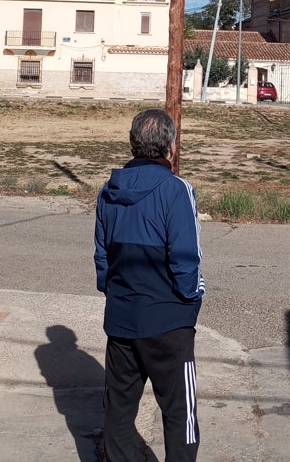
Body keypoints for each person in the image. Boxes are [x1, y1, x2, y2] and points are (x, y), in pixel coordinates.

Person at [94, 109, 204, 461]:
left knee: (119, 411)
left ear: (133, 144)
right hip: (169, 323)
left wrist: (115, 294)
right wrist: (191, 299)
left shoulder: (108, 192)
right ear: (170, 147)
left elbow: (102, 257)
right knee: (179, 413)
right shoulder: (177, 190)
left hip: (122, 319)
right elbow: (186, 257)